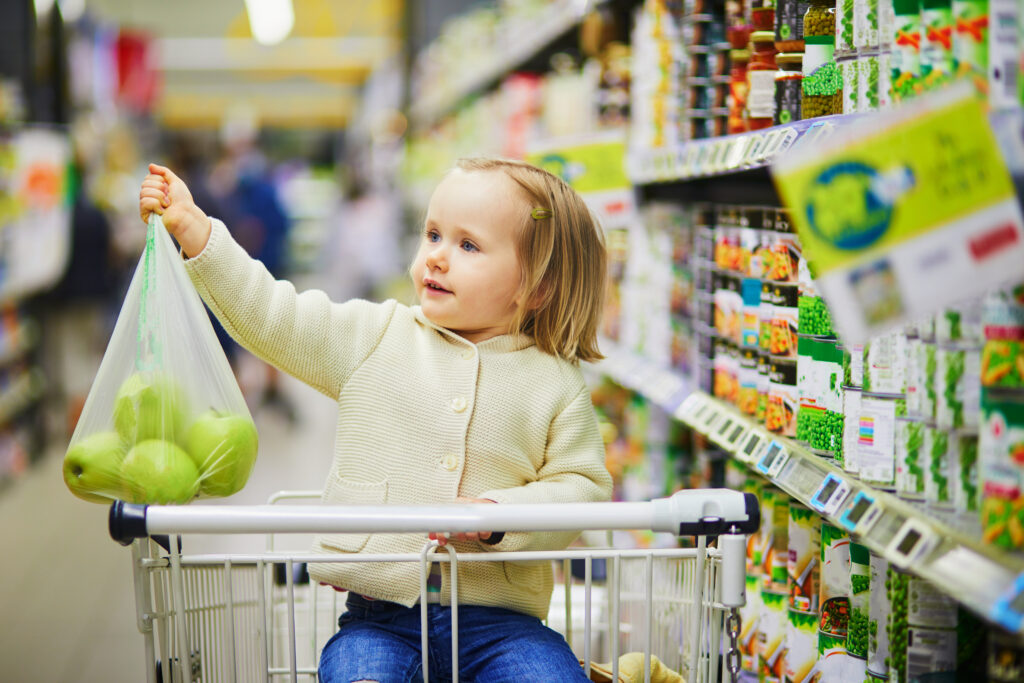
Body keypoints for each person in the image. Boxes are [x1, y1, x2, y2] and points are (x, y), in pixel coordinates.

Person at [139, 156, 613, 682]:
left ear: (538, 287)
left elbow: (583, 487)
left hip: (503, 626)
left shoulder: (555, 382)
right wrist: (200, 234)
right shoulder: (375, 335)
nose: (436, 258)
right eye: (432, 235)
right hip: (378, 619)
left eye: (468, 245)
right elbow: (272, 314)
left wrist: (497, 514)